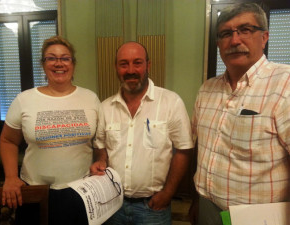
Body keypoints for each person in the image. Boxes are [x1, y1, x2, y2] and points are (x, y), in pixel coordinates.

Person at [191, 3, 290, 225]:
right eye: (226, 34)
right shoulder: (207, 89)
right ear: (218, 44)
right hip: (208, 206)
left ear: (264, 37)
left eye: (245, 30)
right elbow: (202, 149)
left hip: (258, 217)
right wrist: (196, 201)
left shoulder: (284, 85)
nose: (235, 40)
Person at [0, 35, 100, 225]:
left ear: (73, 64)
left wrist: (101, 161)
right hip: (35, 191)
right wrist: (11, 177)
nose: (58, 63)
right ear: (43, 64)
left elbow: (100, 141)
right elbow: (8, 141)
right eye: (51, 58)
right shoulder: (24, 100)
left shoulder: (90, 98)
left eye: (65, 58)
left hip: (81, 191)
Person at [90, 41, 193, 225]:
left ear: (148, 65)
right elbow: (101, 147)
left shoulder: (171, 102)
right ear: (116, 67)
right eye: (124, 64)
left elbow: (184, 150)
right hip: (112, 205)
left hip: (153, 207)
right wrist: (101, 160)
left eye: (137, 63)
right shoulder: (105, 107)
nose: (131, 70)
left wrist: (168, 193)